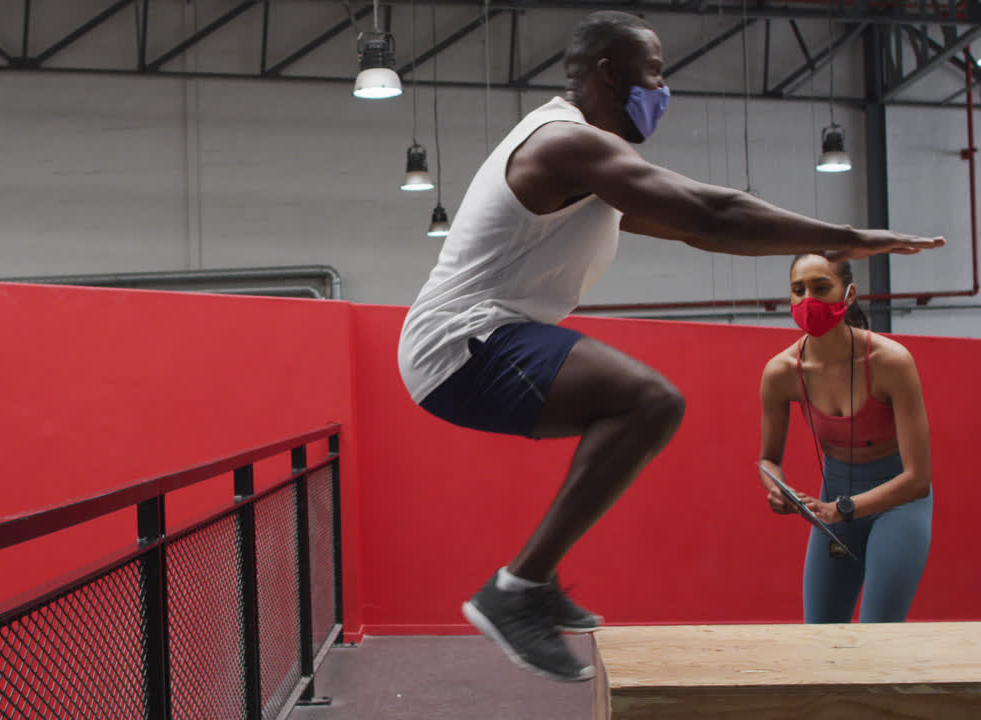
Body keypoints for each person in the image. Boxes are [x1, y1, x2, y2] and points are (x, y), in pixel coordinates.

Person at [395, 10, 944, 682]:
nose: (663, 90)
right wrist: (850, 236)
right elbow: (711, 210)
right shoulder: (570, 145)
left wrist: (826, 242)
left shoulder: (592, 166)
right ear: (608, 75)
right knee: (649, 401)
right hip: (462, 343)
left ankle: (528, 584)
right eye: (653, 74)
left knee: (645, 407)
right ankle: (516, 590)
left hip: (481, 340)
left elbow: (701, 233)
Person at [757, 254, 932, 624]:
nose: (808, 300)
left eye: (821, 288)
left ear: (849, 294)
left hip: (897, 504)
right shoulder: (781, 372)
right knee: (820, 637)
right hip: (833, 504)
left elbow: (918, 480)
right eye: (797, 290)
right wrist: (777, 487)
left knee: (878, 639)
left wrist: (843, 509)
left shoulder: (891, 362)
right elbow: (768, 458)